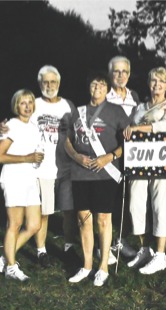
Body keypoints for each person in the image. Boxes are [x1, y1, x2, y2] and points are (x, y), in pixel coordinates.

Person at [0, 65, 78, 270]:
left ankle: (68, 248)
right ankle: (42, 251)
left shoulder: (69, 106)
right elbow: (14, 124)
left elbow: (78, 132)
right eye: (45, 82)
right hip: (42, 169)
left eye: (53, 82)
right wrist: (0, 127)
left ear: (59, 83)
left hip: (66, 167)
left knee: (69, 210)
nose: (50, 86)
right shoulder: (34, 104)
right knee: (44, 213)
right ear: (40, 84)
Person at [65, 73, 130, 286]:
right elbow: (67, 140)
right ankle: (86, 265)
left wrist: (109, 157)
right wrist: (76, 156)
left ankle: (103, 266)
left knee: (103, 220)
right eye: (94, 83)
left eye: (102, 84)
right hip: (81, 173)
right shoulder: (78, 113)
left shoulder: (116, 111)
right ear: (89, 87)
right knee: (83, 219)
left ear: (107, 88)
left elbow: (128, 142)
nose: (97, 87)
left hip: (106, 172)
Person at [123, 67, 166, 275]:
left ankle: (161, 254)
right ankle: (144, 248)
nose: (157, 85)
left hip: (164, 159)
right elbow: (130, 126)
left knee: (160, 205)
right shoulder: (140, 107)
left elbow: (165, 125)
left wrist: (138, 129)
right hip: (140, 160)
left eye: (161, 82)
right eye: (154, 81)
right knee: (135, 204)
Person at [0, 89, 43, 281]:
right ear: (16, 106)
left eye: (30, 102)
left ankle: (5, 257)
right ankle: (11, 267)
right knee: (15, 224)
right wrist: (27, 158)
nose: (28, 106)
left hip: (29, 179)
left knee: (34, 225)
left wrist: (35, 160)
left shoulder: (33, 126)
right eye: (23, 103)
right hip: (13, 179)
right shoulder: (11, 126)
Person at [106, 55, 139, 259]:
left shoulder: (134, 96)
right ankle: (105, 243)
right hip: (110, 156)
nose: (120, 75)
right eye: (116, 71)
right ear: (110, 74)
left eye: (124, 71)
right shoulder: (103, 95)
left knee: (126, 200)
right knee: (108, 201)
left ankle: (120, 240)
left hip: (132, 156)